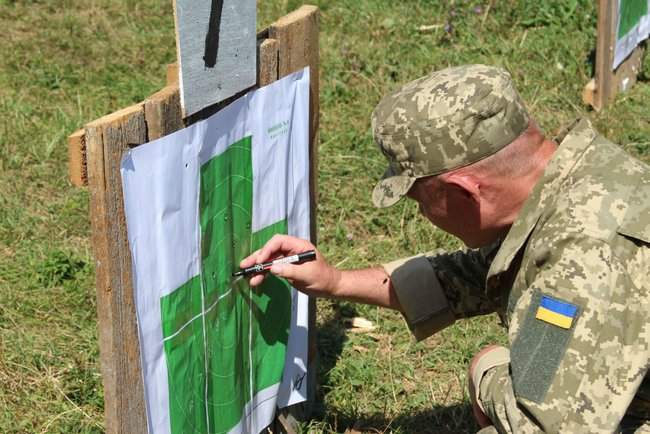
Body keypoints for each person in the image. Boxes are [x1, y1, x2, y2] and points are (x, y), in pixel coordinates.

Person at [241, 65, 650, 433]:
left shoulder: (586, 252)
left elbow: (542, 429)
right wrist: (334, 281)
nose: (421, 214)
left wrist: (486, 370)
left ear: (463, 192)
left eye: (420, 201)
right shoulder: (579, 179)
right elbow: (477, 275)